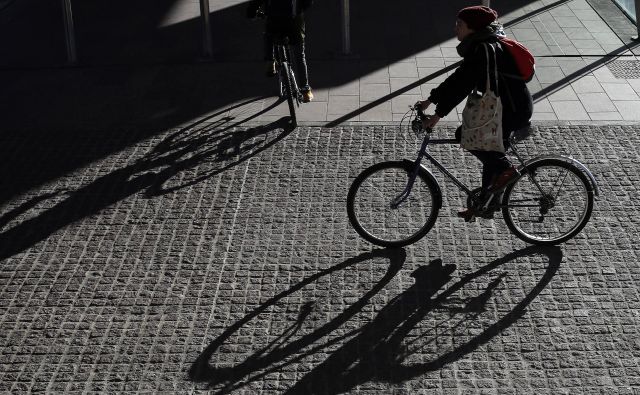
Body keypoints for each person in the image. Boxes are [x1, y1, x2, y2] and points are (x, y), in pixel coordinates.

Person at [417, 6, 533, 222]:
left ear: (473, 27)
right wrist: (430, 99)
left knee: (467, 136)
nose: (455, 28)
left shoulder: (483, 49)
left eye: (460, 24)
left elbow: (462, 85)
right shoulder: (481, 45)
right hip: (508, 105)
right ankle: (485, 204)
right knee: (490, 152)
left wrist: (437, 114)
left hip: (511, 110)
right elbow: (459, 78)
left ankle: (506, 171)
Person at [246, 0, 314, 102]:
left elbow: (255, 2)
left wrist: (252, 13)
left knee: (268, 34)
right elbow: (308, 2)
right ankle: (305, 91)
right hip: (294, 23)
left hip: (275, 21)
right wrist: (300, 10)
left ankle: (270, 61)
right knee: (300, 55)